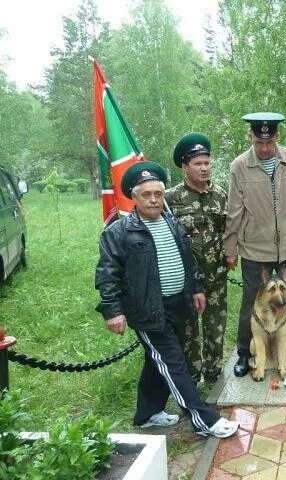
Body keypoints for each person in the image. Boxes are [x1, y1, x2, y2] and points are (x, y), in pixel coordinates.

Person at [95, 161, 239, 438]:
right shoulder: (119, 232)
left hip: (179, 304)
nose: (153, 200)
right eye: (146, 194)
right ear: (134, 197)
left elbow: (188, 261)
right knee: (173, 362)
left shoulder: (172, 222)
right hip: (149, 310)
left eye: (158, 194)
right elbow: (107, 274)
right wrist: (113, 311)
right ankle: (205, 419)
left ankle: (147, 414)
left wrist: (196, 289)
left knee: (157, 360)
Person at [223, 112, 286, 378]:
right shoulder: (239, 166)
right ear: (251, 137)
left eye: (269, 141)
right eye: (258, 142)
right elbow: (234, 211)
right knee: (250, 303)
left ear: (277, 136)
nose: (264, 148)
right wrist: (230, 249)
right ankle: (244, 352)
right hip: (255, 249)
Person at [166, 132, 228, 385]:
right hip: (185, 280)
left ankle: (213, 373)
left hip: (216, 276)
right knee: (189, 332)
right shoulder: (171, 199)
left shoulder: (221, 195)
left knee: (216, 328)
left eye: (207, 162)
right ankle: (191, 378)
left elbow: (228, 230)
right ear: (184, 166)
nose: (204, 168)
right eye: (197, 164)